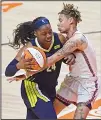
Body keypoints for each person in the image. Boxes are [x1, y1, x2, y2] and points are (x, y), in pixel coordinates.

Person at [5, 17, 75, 119]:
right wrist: (19, 65)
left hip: (50, 89)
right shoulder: (29, 48)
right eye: (44, 33)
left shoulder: (59, 39)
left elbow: (65, 56)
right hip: (33, 88)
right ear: (35, 33)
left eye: (50, 32)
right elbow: (8, 71)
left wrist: (70, 55)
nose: (48, 36)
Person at [46, 3, 98, 119]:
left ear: (70, 20)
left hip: (87, 84)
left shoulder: (77, 39)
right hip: (71, 80)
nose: (58, 24)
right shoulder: (66, 38)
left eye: (61, 20)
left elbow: (52, 59)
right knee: (48, 116)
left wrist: (27, 71)